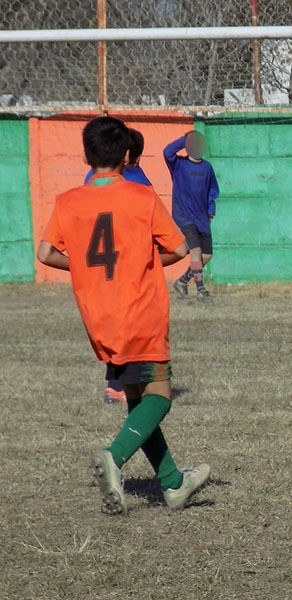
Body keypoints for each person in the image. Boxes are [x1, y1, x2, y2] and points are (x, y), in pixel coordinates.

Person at [37, 116, 210, 514]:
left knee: (137, 398)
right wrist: (145, 260)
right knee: (161, 397)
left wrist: (82, 265)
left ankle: (172, 484)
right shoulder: (141, 197)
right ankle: (114, 456)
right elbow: (181, 250)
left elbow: (46, 253)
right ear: (127, 155)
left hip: (100, 318)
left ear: (86, 154)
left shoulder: (68, 201)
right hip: (140, 311)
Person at [85, 127, 153, 405]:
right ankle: (126, 384)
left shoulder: (90, 180)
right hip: (129, 266)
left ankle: (115, 383)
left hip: (97, 270)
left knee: (111, 325)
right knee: (133, 327)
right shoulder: (140, 185)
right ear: (128, 155)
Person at [165, 131, 219, 301]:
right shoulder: (178, 164)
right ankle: (201, 290)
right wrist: (184, 139)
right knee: (195, 251)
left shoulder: (207, 167)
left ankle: (182, 281)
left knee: (206, 255)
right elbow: (167, 152)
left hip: (202, 217)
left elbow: (213, 190)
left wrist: (211, 209)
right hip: (184, 217)